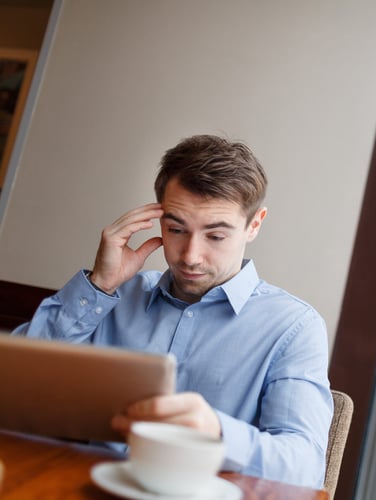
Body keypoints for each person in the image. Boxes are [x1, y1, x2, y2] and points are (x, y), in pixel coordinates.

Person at [13, 134, 333, 489]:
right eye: (176, 229)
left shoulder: (294, 327)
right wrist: (100, 285)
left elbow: (304, 468)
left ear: (254, 224)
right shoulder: (114, 294)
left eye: (215, 236)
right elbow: (14, 385)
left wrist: (217, 432)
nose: (190, 256)